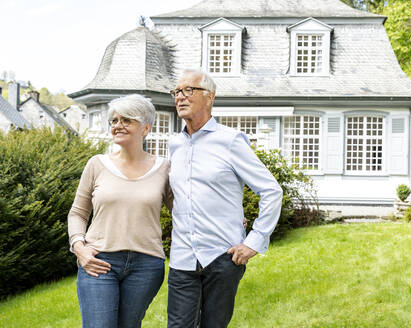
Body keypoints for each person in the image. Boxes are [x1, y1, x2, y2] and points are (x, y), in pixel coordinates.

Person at [167, 69, 283, 328]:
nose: (180, 97)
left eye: (189, 90)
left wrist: (254, 241)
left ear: (209, 97)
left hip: (222, 257)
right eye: (176, 92)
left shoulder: (230, 141)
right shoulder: (174, 145)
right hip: (182, 257)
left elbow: (271, 191)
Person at [68, 94, 173, 328]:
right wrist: (80, 249)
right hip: (99, 260)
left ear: (145, 128)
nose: (118, 125)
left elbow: (184, 211)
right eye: (114, 120)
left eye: (126, 120)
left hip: (146, 266)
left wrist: (229, 219)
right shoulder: (96, 164)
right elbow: (77, 213)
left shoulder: (164, 167)